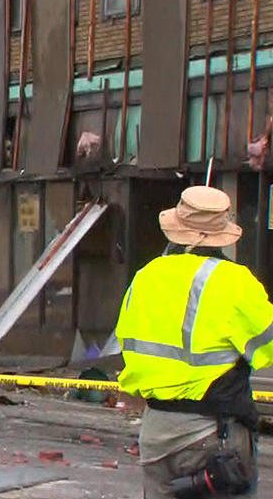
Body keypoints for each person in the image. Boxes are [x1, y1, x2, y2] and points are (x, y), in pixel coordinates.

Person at [116, 186, 273, 498]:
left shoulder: (146, 276)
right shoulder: (235, 281)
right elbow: (267, 348)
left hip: (156, 432)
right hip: (214, 436)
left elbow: (125, 340)